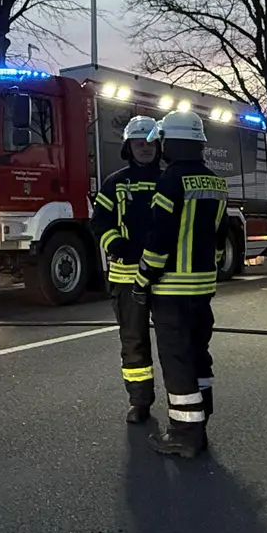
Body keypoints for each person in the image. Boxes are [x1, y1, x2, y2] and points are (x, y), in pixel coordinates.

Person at [132, 109, 227, 458]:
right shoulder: (216, 182)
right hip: (203, 288)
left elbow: (160, 240)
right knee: (199, 354)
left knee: (177, 360)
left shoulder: (170, 181)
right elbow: (215, 236)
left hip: (172, 289)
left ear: (171, 142)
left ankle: (185, 435)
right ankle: (200, 421)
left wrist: (142, 280)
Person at [88, 115, 163, 424]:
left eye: (149, 141)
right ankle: (139, 401)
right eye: (138, 142)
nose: (144, 147)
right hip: (127, 277)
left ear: (159, 146)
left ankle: (181, 401)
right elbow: (99, 223)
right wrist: (116, 244)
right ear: (128, 147)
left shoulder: (169, 179)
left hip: (165, 277)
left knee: (174, 340)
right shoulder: (115, 182)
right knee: (133, 342)